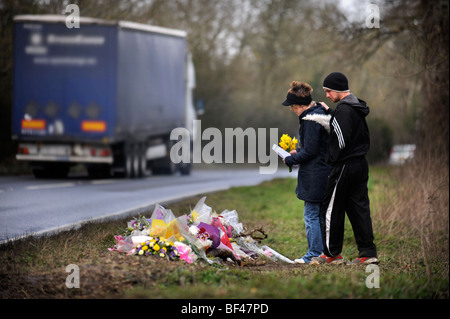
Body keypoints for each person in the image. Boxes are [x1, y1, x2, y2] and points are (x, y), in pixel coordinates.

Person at [311, 71, 378, 265]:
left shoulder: (343, 110)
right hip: (360, 164)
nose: (327, 96)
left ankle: (331, 254)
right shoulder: (355, 107)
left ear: (337, 90)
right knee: (359, 209)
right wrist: (332, 114)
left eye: (328, 91)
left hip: (344, 166)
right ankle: (368, 253)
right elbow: (349, 128)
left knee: (331, 208)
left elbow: (340, 139)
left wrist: (331, 159)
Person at [281, 81, 331, 264]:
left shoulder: (310, 121)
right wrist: (299, 150)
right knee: (320, 215)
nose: (292, 110)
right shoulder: (320, 113)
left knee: (311, 215)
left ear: (300, 105)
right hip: (325, 172)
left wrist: (290, 159)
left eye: (293, 107)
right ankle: (324, 253)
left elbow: (310, 152)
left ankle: (313, 254)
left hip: (315, 174)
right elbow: (315, 147)